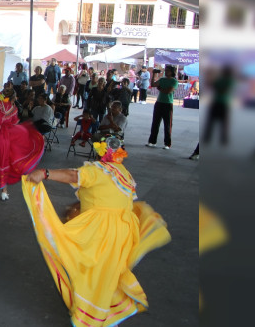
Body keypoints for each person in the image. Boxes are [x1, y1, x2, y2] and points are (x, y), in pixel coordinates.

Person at [22, 138, 170, 327]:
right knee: (108, 272)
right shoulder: (123, 173)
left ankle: (92, 316)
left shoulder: (97, 171)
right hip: (123, 229)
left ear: (101, 152)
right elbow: (107, 196)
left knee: (90, 270)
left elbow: (72, 176)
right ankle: (108, 312)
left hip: (102, 230)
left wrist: (45, 172)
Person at [146, 65, 178, 149]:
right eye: (165, 70)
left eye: (168, 71)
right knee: (155, 123)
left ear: (172, 72)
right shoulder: (162, 79)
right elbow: (153, 84)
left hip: (168, 104)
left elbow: (168, 91)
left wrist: (159, 88)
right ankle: (152, 141)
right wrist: (153, 75)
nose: (166, 72)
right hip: (159, 103)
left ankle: (167, 143)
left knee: (167, 124)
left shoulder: (174, 81)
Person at [204, 65, 234, 146]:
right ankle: (218, 139)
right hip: (220, 102)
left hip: (221, 102)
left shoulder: (227, 80)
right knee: (215, 121)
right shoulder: (225, 80)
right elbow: (211, 85)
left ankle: (221, 138)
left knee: (219, 121)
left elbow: (220, 89)